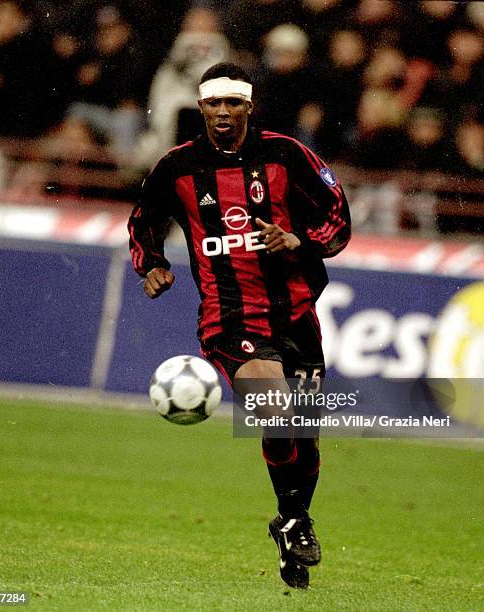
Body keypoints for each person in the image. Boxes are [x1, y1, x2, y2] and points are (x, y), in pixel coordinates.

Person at [128, 62, 351, 589]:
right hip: (229, 317)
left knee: (303, 433)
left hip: (296, 314)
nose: (223, 113)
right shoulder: (177, 167)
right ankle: (295, 520)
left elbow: (337, 214)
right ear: (201, 107)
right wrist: (152, 263)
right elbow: (142, 220)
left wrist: (302, 240)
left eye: (234, 103)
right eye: (214, 104)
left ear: (249, 107)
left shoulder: (287, 154)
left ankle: (292, 522)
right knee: (272, 406)